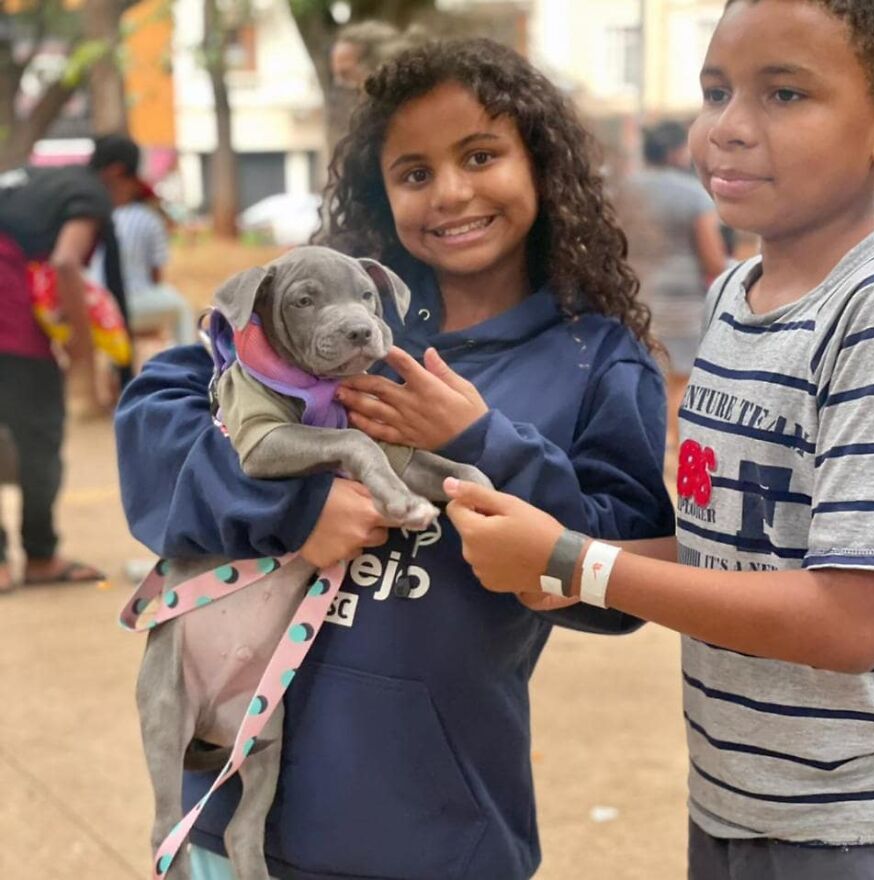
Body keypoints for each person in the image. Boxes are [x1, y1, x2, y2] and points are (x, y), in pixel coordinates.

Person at [115, 37, 674, 880]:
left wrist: (482, 443)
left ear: (544, 167)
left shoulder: (597, 363)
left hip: (432, 834)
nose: (450, 193)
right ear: (382, 193)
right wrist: (293, 508)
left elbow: (622, 579)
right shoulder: (319, 315)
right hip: (233, 817)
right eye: (414, 173)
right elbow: (152, 416)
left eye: (481, 156)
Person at [437, 2, 874, 877]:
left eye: (785, 95)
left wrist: (576, 562)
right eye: (716, 92)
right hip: (730, 795)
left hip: (846, 822)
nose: (730, 129)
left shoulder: (866, 312)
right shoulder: (737, 297)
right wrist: (559, 567)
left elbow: (850, 618)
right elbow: (733, 546)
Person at [0, 134, 140, 593]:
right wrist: (82, 350)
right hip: (10, 319)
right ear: (118, 173)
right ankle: (39, 557)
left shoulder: (36, 179)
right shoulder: (88, 191)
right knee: (39, 436)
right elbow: (65, 262)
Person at [622, 119, 728, 455]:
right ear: (674, 152)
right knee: (680, 382)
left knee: (636, 378)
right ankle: (679, 457)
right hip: (681, 305)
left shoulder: (621, 191)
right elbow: (712, 260)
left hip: (628, 299)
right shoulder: (694, 195)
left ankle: (644, 451)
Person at [89, 140, 194, 348]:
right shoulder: (150, 220)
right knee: (183, 308)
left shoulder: (90, 215)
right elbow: (155, 277)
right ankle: (188, 363)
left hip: (91, 303)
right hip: (131, 303)